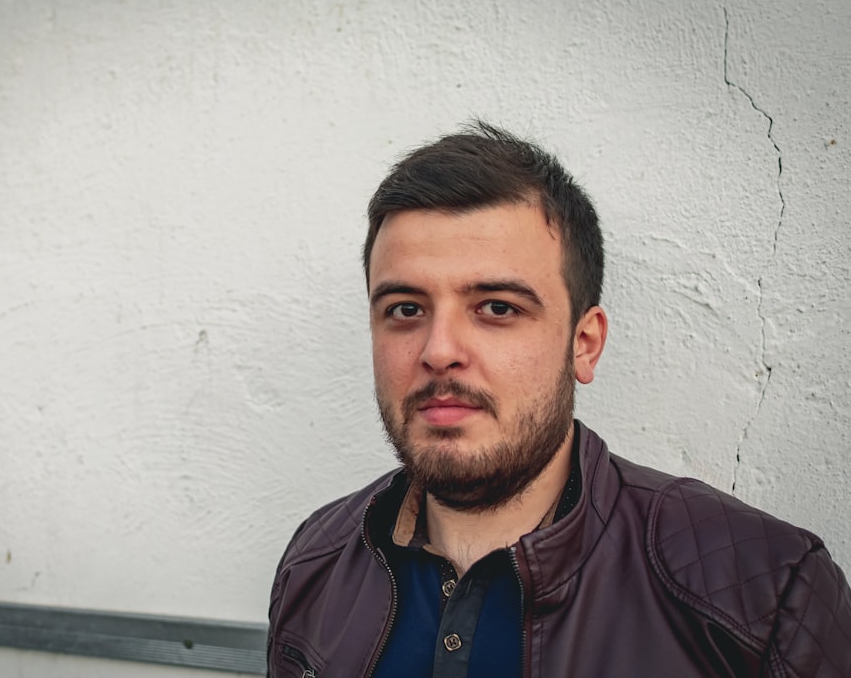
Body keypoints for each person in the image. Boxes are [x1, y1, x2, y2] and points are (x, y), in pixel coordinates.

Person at [266, 122, 851, 677]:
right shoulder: (317, 560)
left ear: (584, 344)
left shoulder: (765, 591)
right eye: (405, 309)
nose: (438, 351)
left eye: (497, 307)